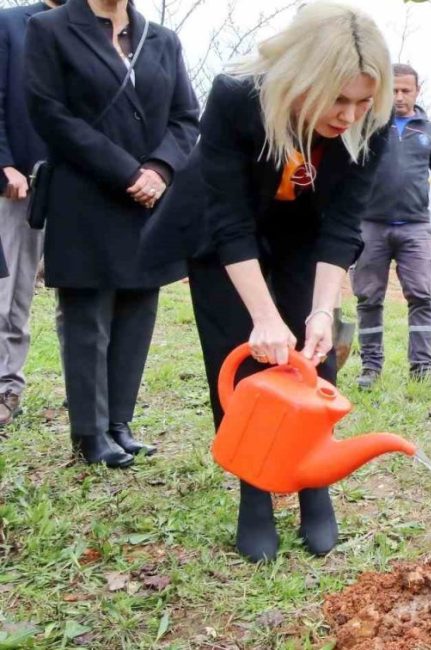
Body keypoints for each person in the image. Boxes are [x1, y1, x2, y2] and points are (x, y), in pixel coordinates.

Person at [141, 1, 392, 562]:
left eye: (362, 100)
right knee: (241, 351)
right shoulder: (236, 97)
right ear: (303, 80)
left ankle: (313, 484)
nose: (350, 114)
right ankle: (254, 489)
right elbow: (229, 221)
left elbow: (342, 228)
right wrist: (262, 316)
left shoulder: (371, 125)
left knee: (312, 354)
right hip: (225, 232)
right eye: (338, 99)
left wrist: (322, 313)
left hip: (305, 233)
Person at [26, 0, 199, 468]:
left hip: (151, 199)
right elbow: (48, 113)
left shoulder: (162, 39)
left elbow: (186, 118)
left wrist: (160, 169)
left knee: (139, 307)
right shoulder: (50, 28)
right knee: (88, 316)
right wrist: (127, 172)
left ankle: (119, 423)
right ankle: (89, 433)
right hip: (86, 193)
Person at [352, 63, 431, 394]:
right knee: (368, 297)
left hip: (416, 228)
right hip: (370, 227)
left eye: (406, 90)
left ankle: (422, 370)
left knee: (422, 296)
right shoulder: (367, 127)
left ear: (417, 92)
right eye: (393, 90)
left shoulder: (430, 132)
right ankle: (370, 367)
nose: (399, 96)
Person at [0, 1, 61, 428]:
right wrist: (3, 163)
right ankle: (6, 387)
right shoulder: (10, 23)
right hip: (21, 181)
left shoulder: (100, 28)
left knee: (82, 298)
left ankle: (90, 400)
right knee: (11, 294)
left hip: (81, 184)